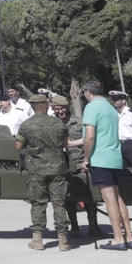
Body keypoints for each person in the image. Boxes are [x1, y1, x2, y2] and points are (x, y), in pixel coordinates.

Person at [81, 79, 132, 250]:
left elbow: (90, 137)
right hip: (113, 157)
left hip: (100, 158)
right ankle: (129, 236)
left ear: (87, 92)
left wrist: (86, 159)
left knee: (108, 199)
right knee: (117, 197)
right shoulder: (110, 108)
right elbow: (100, 134)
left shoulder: (91, 107)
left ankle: (118, 239)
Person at [16, 93, 70, 250]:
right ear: (45, 106)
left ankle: (38, 240)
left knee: (38, 203)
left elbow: (18, 146)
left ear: (33, 107)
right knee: (59, 203)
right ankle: (63, 241)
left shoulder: (26, 125)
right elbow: (65, 144)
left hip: (37, 169)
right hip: (58, 169)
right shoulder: (59, 123)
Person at [52, 95, 100, 237]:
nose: (60, 112)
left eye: (62, 109)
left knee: (89, 197)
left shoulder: (79, 122)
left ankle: (94, 226)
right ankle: (74, 227)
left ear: (68, 108)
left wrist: (72, 143)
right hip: (62, 165)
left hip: (80, 162)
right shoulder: (53, 123)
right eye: (57, 109)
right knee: (68, 198)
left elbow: (89, 137)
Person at [110, 90, 132, 173]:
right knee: (123, 172)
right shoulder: (113, 114)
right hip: (119, 145)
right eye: (113, 99)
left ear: (123, 100)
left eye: (116, 99)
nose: (114, 101)